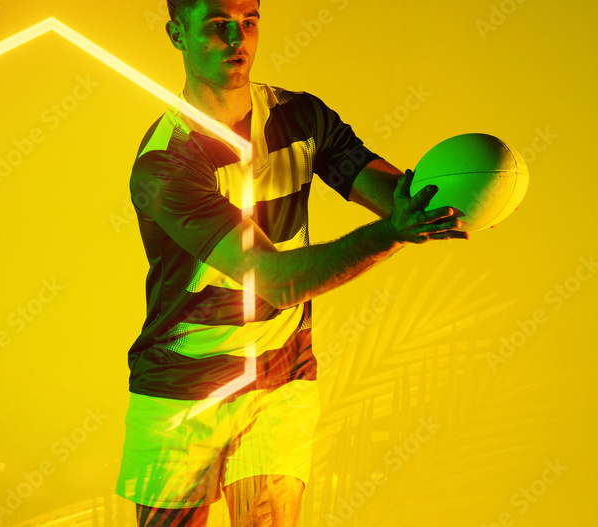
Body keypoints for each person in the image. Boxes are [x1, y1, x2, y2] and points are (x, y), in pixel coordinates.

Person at [114, 0, 468, 525]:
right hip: (180, 383)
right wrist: (393, 233)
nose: (239, 39)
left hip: (279, 374)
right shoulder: (165, 164)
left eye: (250, 22)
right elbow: (274, 283)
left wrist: (458, 195)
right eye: (217, 25)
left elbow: (395, 196)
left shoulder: (303, 118)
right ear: (176, 33)